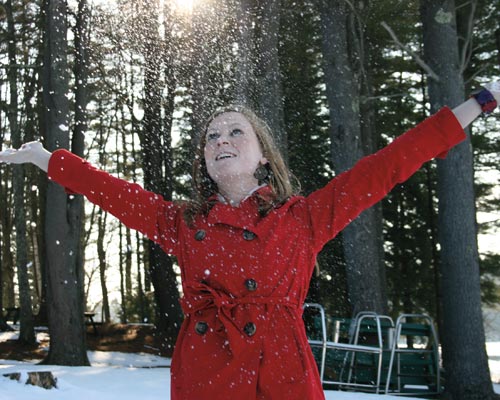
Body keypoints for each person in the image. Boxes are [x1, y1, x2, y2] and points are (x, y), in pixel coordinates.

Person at [0, 83, 498, 400]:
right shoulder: (181, 222)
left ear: (262, 155)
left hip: (282, 373)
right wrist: (47, 159)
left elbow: (391, 163)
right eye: (211, 137)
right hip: (207, 373)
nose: (220, 140)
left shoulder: (304, 218)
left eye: (235, 132)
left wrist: (479, 102)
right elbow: (112, 191)